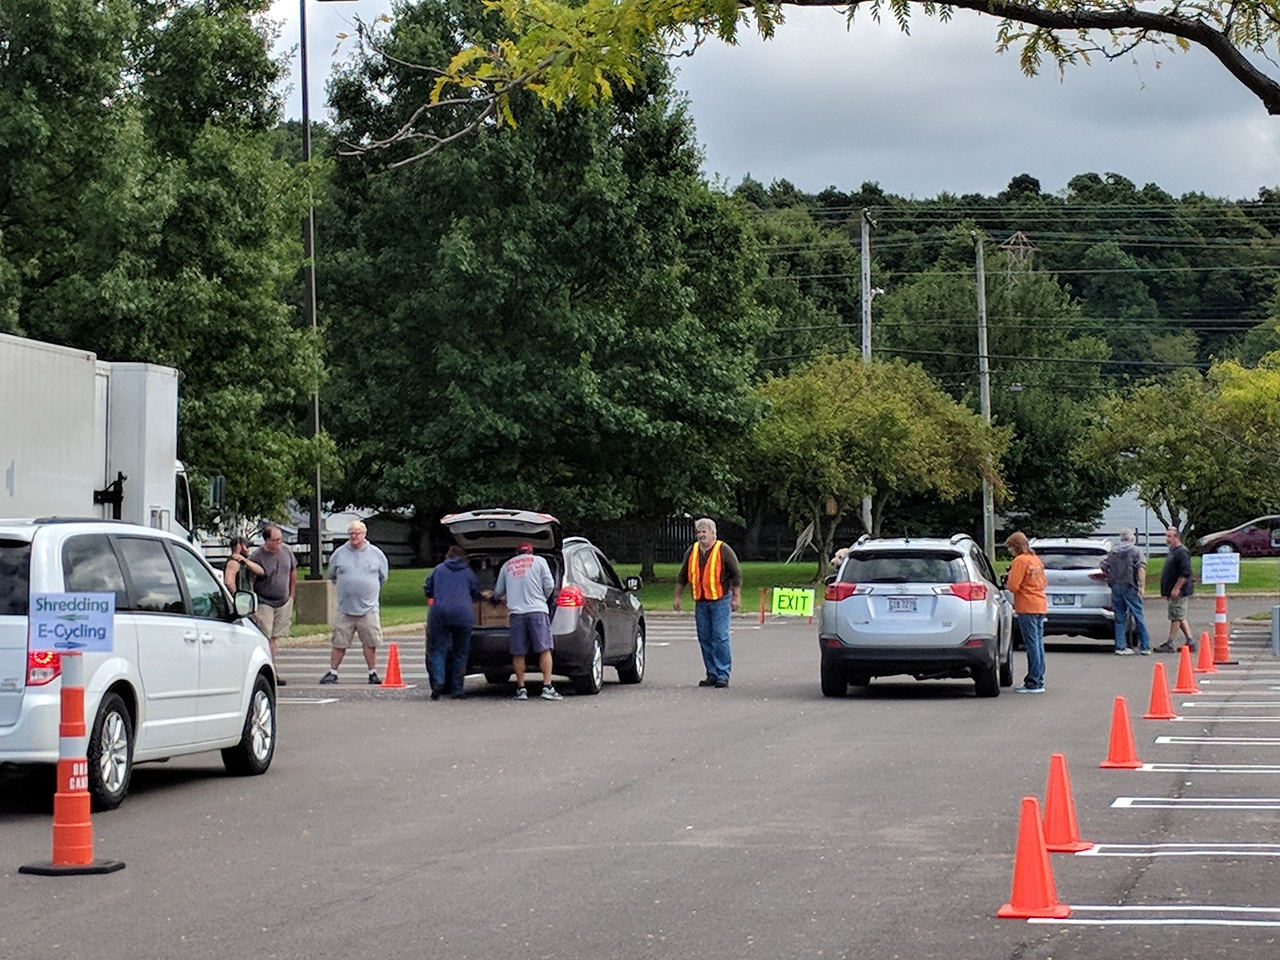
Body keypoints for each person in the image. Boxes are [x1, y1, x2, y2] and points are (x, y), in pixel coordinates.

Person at [673, 517, 742, 688]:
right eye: (699, 532)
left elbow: (736, 574)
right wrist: (677, 597)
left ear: (713, 533)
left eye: (704, 531)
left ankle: (723, 674)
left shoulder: (723, 550)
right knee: (704, 637)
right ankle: (711, 673)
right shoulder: (692, 550)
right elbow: (683, 576)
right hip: (701, 602)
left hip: (720, 600)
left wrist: (736, 597)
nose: (701, 535)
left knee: (719, 636)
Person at [320, 520, 389, 685]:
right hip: (345, 608)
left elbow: (383, 577)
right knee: (339, 642)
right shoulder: (339, 553)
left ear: (364, 534)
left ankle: (372, 672)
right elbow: (332, 575)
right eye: (351, 533)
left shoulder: (376, 554)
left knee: (370, 643)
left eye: (357, 533)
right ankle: (333, 672)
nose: (353, 536)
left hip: (369, 608)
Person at [491, 542, 559, 701]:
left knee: (518, 652)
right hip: (537, 610)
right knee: (544, 649)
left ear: (517, 553)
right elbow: (550, 585)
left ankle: (521, 688)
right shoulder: (540, 561)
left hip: (516, 613)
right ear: (531, 551)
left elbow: (498, 591)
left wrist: (498, 598)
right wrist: (543, 598)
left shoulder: (507, 565)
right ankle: (547, 686)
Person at [423, 545, 483, 700]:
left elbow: (428, 589)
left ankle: (439, 680)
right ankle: (457, 690)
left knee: (438, 650)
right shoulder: (468, 572)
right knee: (460, 653)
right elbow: (476, 592)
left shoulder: (438, 570)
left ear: (447, 556)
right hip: (463, 614)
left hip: (439, 613)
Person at [249, 524, 296, 685]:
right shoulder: (257, 556)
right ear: (266, 540)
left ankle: (272, 670)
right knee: (265, 636)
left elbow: (293, 570)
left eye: (280, 540)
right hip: (264, 601)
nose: (278, 543)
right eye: (275, 540)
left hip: (282, 600)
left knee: (273, 638)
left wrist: (291, 594)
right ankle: (266, 670)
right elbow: (250, 580)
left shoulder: (286, 551)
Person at [1004, 532, 1048, 694]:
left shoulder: (1020, 561)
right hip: (1040, 604)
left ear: (1015, 546)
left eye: (1010, 548)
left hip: (1026, 605)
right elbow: (1044, 582)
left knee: (1031, 644)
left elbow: (1013, 586)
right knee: (1038, 644)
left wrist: (1008, 579)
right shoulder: (1035, 559)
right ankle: (1039, 678)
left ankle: (1033, 681)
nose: (1009, 551)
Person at [1101, 528, 1151, 655]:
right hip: (1131, 585)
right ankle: (1144, 646)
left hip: (1116, 586)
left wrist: (1108, 577)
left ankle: (1120, 646)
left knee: (1119, 617)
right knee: (1138, 615)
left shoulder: (1113, 552)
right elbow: (1141, 568)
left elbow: (1103, 565)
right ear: (1132, 538)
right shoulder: (1136, 551)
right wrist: (1142, 586)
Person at [1154, 527, 1195, 654]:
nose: (1167, 539)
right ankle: (1190, 641)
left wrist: (1176, 588)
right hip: (1172, 590)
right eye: (1166, 536)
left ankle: (1170, 643)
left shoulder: (1182, 552)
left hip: (1179, 591)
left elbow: (1185, 573)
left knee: (1176, 617)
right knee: (1179, 616)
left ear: (1177, 537)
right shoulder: (1173, 551)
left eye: (1169, 536)